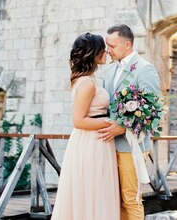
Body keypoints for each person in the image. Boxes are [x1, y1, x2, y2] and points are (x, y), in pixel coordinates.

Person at [51, 33, 120, 220]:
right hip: (91, 141)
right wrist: (112, 123)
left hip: (97, 140)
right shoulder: (87, 83)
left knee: (97, 190)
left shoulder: (89, 79)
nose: (106, 51)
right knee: (93, 189)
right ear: (94, 53)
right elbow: (79, 120)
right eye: (102, 48)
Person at [97, 24, 161, 220]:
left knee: (131, 199)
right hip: (108, 145)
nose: (108, 50)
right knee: (113, 199)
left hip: (131, 145)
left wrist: (122, 127)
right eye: (107, 45)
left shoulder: (145, 69)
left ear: (127, 44)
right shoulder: (109, 70)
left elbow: (152, 110)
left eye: (112, 46)